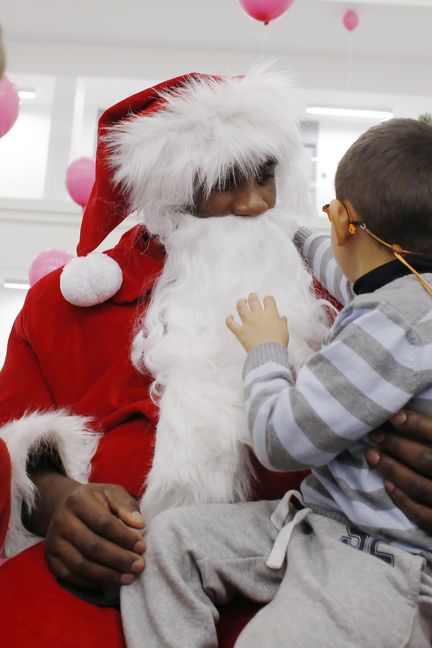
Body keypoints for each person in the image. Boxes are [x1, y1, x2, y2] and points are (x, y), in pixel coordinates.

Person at [0, 70, 431, 648]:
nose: (254, 204)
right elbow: (11, 443)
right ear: (171, 187)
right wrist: (54, 500)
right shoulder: (62, 306)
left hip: (354, 573)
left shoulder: (350, 287)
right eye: (226, 180)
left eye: (267, 176)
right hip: (125, 583)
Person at [120, 118, 432, 648]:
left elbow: (285, 440)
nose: (250, 204)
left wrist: (265, 351)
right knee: (167, 542)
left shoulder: (390, 324)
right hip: (315, 522)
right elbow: (350, 274)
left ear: (347, 225)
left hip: (373, 558)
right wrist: (287, 229)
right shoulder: (406, 286)